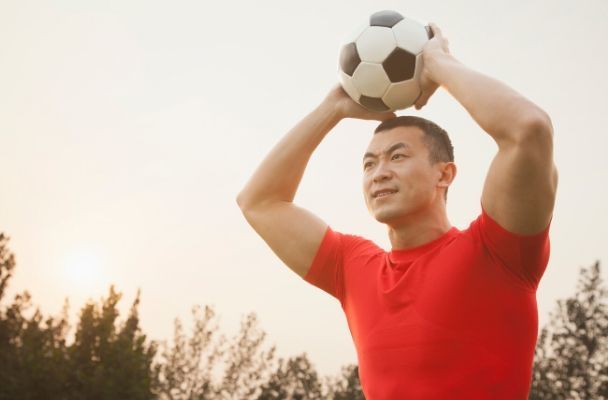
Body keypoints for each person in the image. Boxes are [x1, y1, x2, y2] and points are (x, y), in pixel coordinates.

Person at [236, 22, 558, 399]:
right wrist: (332, 108)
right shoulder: (352, 267)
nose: (379, 172)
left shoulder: (497, 252)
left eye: (397, 156)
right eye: (369, 164)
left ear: (445, 174)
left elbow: (529, 129)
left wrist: (439, 64)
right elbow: (259, 201)